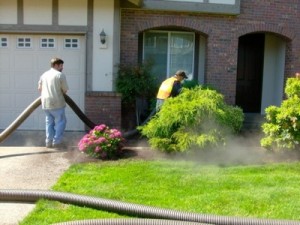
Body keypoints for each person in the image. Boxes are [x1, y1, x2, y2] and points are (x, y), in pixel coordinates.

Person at [38, 58, 69, 149]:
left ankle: (48, 141)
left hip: (45, 103)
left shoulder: (44, 75)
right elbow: (65, 90)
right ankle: (57, 142)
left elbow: (39, 88)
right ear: (55, 65)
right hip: (57, 102)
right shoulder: (60, 75)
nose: (62, 67)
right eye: (61, 65)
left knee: (49, 122)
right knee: (61, 122)